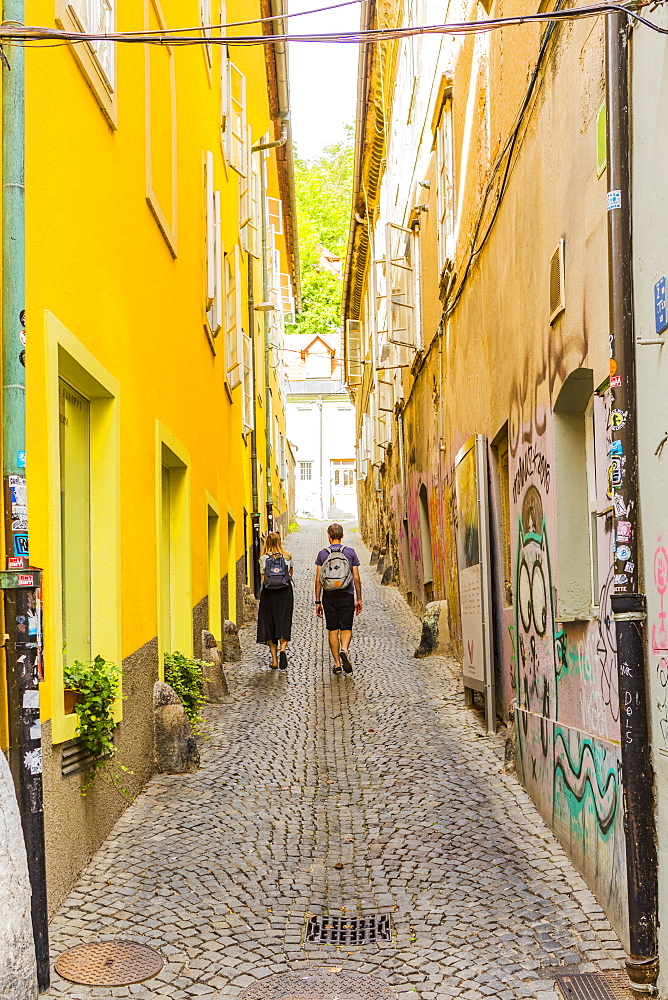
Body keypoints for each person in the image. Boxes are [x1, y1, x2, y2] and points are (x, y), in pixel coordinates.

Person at [315, 523, 362, 674]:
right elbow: (356, 578)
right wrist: (359, 598)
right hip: (346, 594)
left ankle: (336, 664)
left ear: (328, 536)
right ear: (342, 536)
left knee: (333, 629)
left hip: (329, 596)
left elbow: (318, 580)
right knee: (346, 628)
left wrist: (317, 601)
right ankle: (344, 649)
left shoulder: (322, 554)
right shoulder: (350, 552)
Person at [257, 532, 294, 670]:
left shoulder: (263, 558)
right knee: (284, 620)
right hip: (285, 592)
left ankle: (274, 661)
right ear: (280, 541)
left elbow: (263, 578)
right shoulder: (287, 556)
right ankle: (283, 649)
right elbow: (290, 574)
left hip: (269, 594)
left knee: (270, 623)